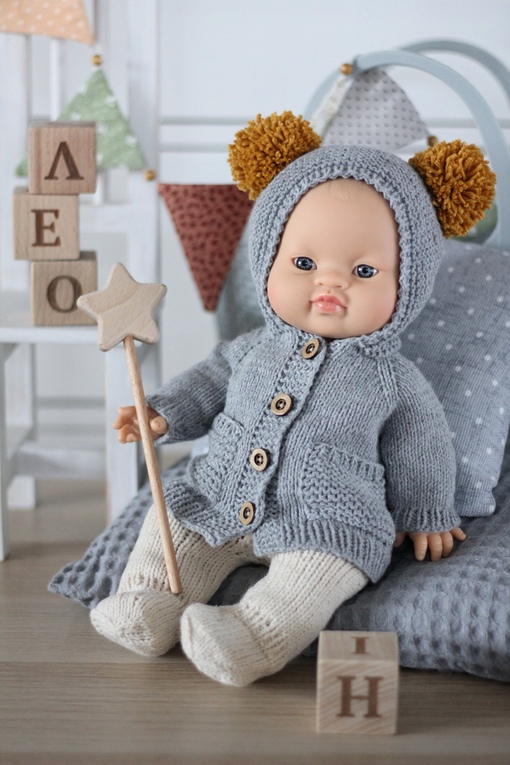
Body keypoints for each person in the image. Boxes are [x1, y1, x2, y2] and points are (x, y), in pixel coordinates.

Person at [90, 113, 495, 687]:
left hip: (327, 518)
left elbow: (420, 444)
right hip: (218, 495)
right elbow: (208, 382)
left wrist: (424, 513)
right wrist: (162, 413)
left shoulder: (392, 379)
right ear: (269, 260)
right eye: (304, 264)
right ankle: (150, 602)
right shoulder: (251, 349)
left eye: (363, 270)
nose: (330, 284)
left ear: (407, 285)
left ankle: (254, 635)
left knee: (315, 577)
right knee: (170, 526)